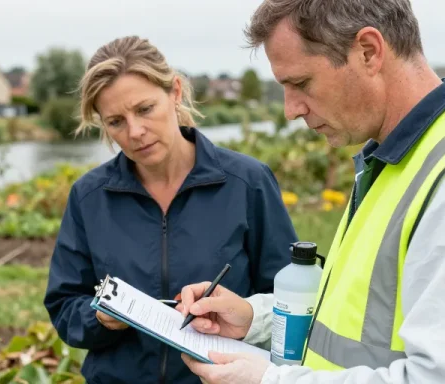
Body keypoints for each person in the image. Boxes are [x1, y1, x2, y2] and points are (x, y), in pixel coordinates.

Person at [178, 1, 445, 383]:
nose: (290, 110)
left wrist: (270, 380)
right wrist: (257, 320)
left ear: (368, 51)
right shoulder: (392, 160)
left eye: (301, 83)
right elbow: (360, 312)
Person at [43, 35, 298, 384]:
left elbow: (289, 300)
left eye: (145, 109)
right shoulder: (89, 197)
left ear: (175, 92)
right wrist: (100, 319)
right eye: (116, 121)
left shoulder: (247, 182)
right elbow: (64, 305)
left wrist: (242, 317)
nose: (135, 132)